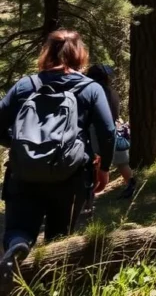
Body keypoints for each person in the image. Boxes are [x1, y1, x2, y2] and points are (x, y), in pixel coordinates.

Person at [0, 31, 116, 252]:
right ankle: (52, 280)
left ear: (47, 52)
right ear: (80, 54)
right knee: (60, 236)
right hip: (71, 174)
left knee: (18, 230)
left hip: (23, 174)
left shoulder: (25, 85)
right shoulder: (91, 88)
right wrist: (104, 168)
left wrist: (19, 146)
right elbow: (108, 132)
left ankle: (17, 246)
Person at [85, 65, 136, 200]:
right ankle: (130, 184)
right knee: (121, 161)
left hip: (96, 128)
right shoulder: (111, 91)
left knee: (96, 161)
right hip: (115, 127)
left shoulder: (93, 90)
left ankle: (91, 192)